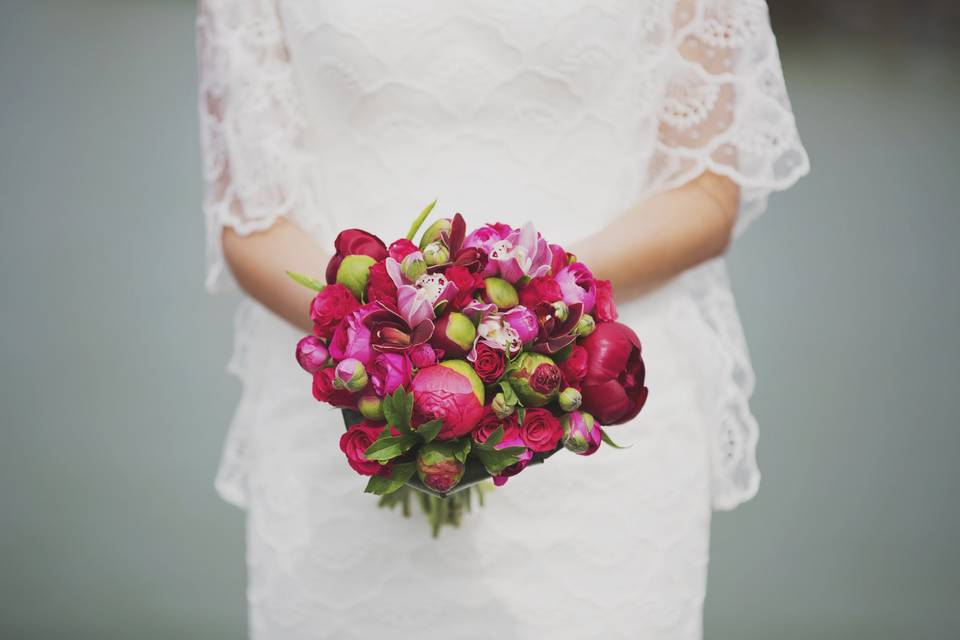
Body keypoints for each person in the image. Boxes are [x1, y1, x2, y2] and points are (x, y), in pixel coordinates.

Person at [196, 1, 808, 638]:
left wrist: (531, 312)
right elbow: (251, 222)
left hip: (586, 416)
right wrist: (385, 352)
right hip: (347, 418)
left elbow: (707, 191)